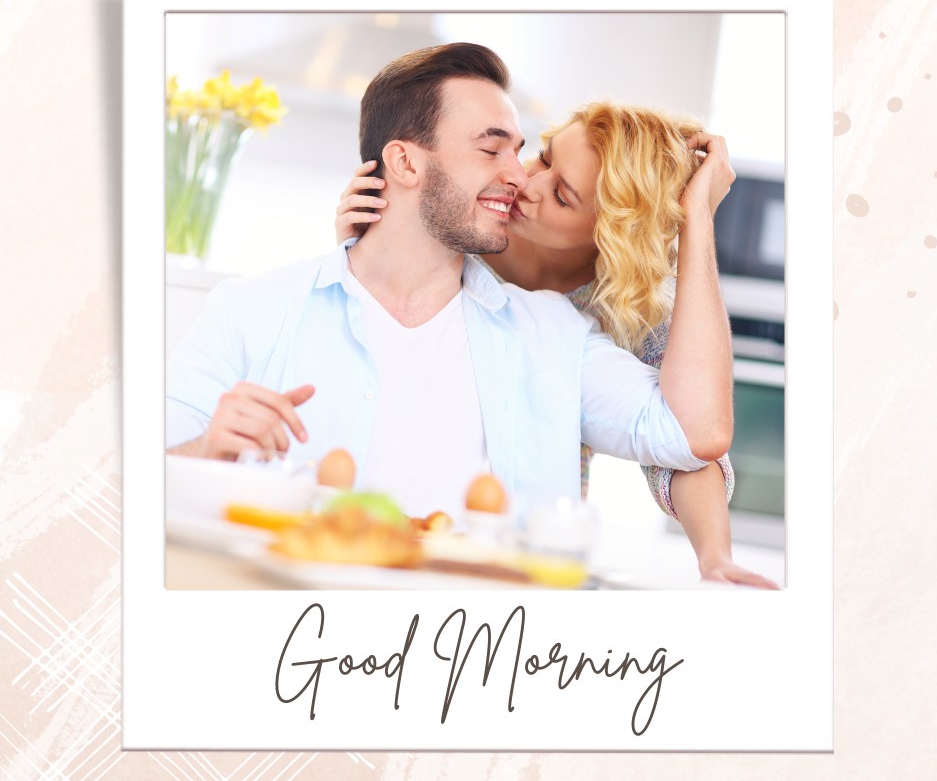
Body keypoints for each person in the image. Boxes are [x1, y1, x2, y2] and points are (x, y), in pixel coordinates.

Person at [166, 42, 722, 532]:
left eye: (518, 149)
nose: (520, 174)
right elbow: (130, 482)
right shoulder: (252, 312)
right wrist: (206, 451)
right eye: (491, 148)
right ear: (404, 162)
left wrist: (697, 219)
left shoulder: (554, 333)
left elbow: (693, 433)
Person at [335, 99, 776, 589]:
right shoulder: (469, 229)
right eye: (544, 158)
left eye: (563, 196)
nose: (527, 185)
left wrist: (714, 557)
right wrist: (359, 252)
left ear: (611, 231)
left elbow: (691, 442)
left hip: (525, 542)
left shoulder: (632, 304)